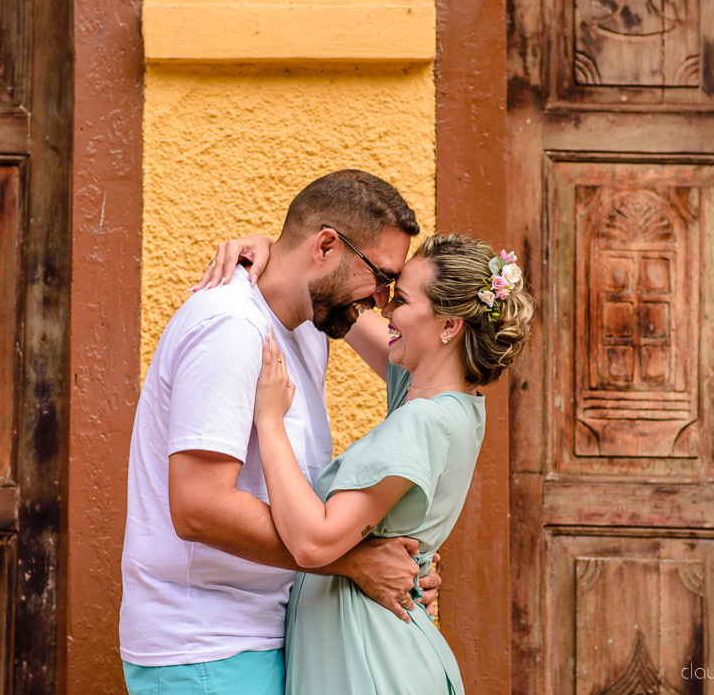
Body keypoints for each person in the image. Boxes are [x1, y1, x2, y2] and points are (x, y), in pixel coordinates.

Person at [119, 170, 445, 695]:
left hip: (259, 636)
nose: (383, 300)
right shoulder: (231, 328)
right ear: (325, 246)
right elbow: (199, 505)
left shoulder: (306, 327)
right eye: (381, 277)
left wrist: (403, 564)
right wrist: (356, 563)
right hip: (206, 649)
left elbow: (425, 363)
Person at [217, 232, 534, 694]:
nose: (383, 308)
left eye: (400, 299)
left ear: (449, 325)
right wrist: (272, 249)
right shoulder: (455, 403)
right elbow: (340, 312)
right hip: (376, 642)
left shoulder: (421, 420)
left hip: (366, 656)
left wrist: (269, 421)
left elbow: (312, 542)